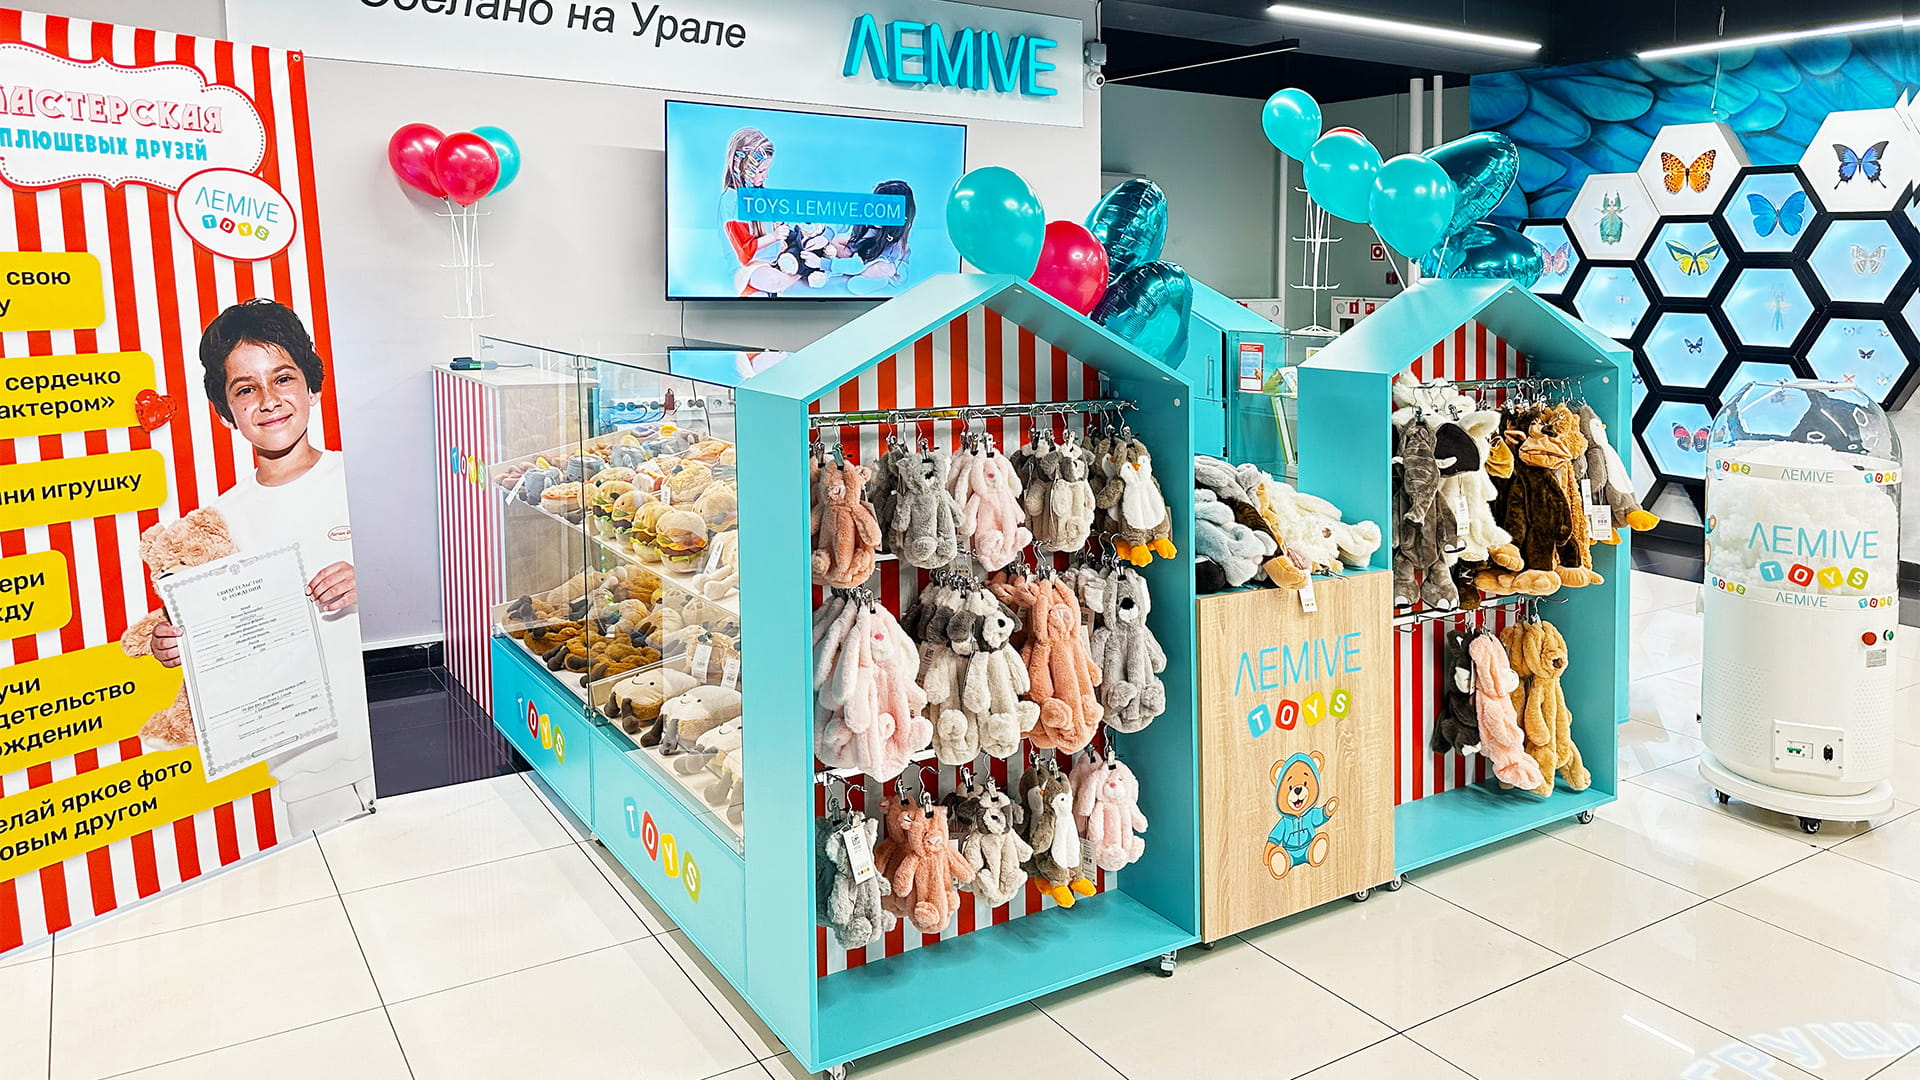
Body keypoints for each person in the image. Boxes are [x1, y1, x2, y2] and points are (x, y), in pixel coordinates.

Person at [149, 298, 373, 836]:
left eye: (283, 378)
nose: (269, 400)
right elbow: (218, 643)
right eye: (245, 389)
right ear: (226, 410)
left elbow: (445, 587)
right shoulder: (218, 523)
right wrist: (177, 646)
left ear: (312, 384)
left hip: (394, 729)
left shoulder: (366, 478)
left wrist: (375, 579)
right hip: (302, 769)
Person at [717, 126, 804, 297]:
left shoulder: (763, 195)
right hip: (748, 266)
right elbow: (744, 251)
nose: (766, 176)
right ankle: (803, 271)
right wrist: (775, 236)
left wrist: (786, 233)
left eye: (767, 170)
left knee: (814, 244)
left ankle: (800, 268)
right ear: (741, 167)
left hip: (775, 260)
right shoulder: (731, 200)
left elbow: (779, 225)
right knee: (773, 281)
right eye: (761, 171)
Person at [834, 179, 916, 296]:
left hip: (883, 262)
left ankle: (871, 277)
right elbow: (855, 240)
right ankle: (854, 270)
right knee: (836, 242)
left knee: (881, 268)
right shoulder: (871, 223)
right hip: (865, 254)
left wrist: (857, 264)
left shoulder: (897, 240)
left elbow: (891, 265)